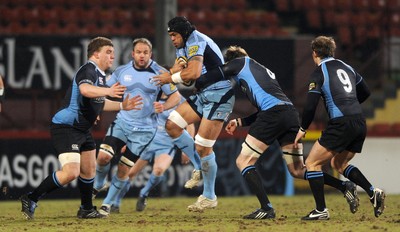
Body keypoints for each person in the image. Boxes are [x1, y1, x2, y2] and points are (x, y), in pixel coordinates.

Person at [201, 45, 358, 219]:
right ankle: (344, 187)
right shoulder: (260, 71)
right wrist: (241, 121)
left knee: (243, 161)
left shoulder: (241, 62)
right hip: (289, 114)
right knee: (297, 170)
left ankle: (266, 208)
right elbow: (269, 105)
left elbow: (217, 73)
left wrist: (194, 83)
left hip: (274, 115)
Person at [20, 37, 143, 220]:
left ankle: (86, 209)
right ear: (95, 54)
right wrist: (108, 91)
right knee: (71, 172)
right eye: (108, 52)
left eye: (113, 53)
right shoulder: (88, 69)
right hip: (66, 127)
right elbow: (85, 90)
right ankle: (30, 198)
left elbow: (99, 102)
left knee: (89, 170)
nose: (112, 56)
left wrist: (122, 106)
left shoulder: (100, 75)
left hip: (82, 130)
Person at [294, 36, 385, 220]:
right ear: (332, 52)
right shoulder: (347, 67)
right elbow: (366, 91)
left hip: (341, 123)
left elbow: (310, 106)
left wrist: (303, 128)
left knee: (312, 164)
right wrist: (350, 104)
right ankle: (371, 191)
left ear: (314, 53)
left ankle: (321, 210)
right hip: (359, 122)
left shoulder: (319, 72)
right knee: (339, 164)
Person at [152, 16, 235, 212]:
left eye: (174, 35)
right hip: (204, 94)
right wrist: (172, 73)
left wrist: (170, 77)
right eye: (170, 35)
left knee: (203, 147)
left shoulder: (196, 40)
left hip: (220, 94)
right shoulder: (183, 46)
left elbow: (194, 73)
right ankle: (199, 167)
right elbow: (185, 77)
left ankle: (209, 196)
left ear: (183, 33)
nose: (172, 39)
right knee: (172, 125)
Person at [92, 38, 181, 216]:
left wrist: (163, 106)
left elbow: (176, 97)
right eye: (138, 52)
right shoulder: (121, 71)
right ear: (133, 54)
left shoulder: (160, 73)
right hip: (122, 123)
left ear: (150, 54)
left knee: (124, 169)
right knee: (102, 157)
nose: (142, 56)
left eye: (145, 52)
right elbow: (102, 91)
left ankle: (107, 204)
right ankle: (98, 184)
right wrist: (96, 110)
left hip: (145, 130)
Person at [109, 95, 195, 213]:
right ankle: (116, 203)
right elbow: (136, 119)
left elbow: (190, 125)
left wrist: (187, 149)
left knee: (159, 170)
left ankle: (144, 193)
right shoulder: (151, 93)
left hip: (166, 144)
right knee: (129, 173)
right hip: (146, 140)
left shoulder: (180, 99)